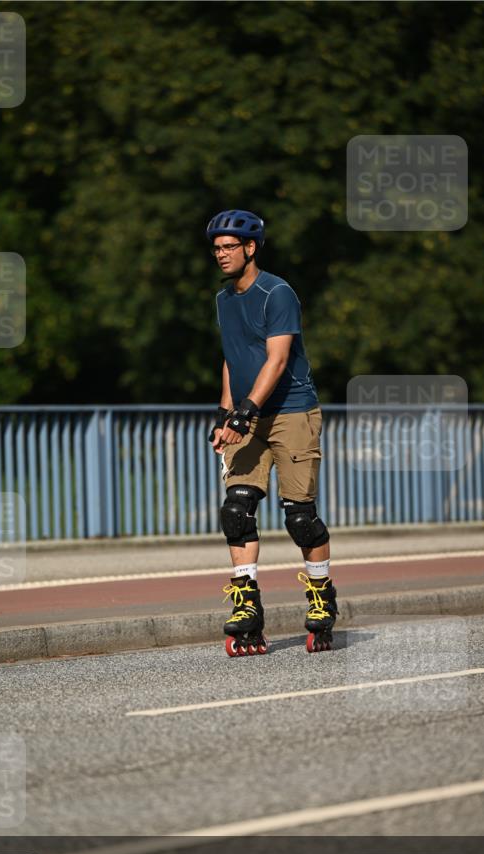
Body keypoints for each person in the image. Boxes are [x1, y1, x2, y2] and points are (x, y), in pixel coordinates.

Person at [206, 209, 338, 655]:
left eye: (229, 247)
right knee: (236, 510)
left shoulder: (276, 293)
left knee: (299, 517)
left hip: (291, 413)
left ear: (251, 248)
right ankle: (247, 607)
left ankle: (322, 599)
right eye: (217, 248)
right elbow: (233, 357)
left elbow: (276, 361)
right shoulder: (224, 299)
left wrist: (245, 411)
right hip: (247, 416)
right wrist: (226, 414)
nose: (222, 255)